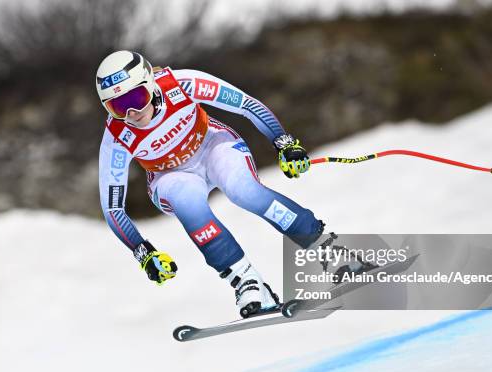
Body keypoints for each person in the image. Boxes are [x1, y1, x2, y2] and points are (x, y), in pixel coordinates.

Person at [96, 50, 326, 318]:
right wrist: (143, 252)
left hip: (212, 146)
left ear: (150, 84)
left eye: (136, 98)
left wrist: (284, 144)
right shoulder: (117, 136)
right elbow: (113, 208)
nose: (132, 113)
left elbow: (247, 105)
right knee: (187, 202)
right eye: (118, 107)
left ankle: (323, 246)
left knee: (244, 191)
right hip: (170, 175)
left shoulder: (181, 84)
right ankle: (246, 281)